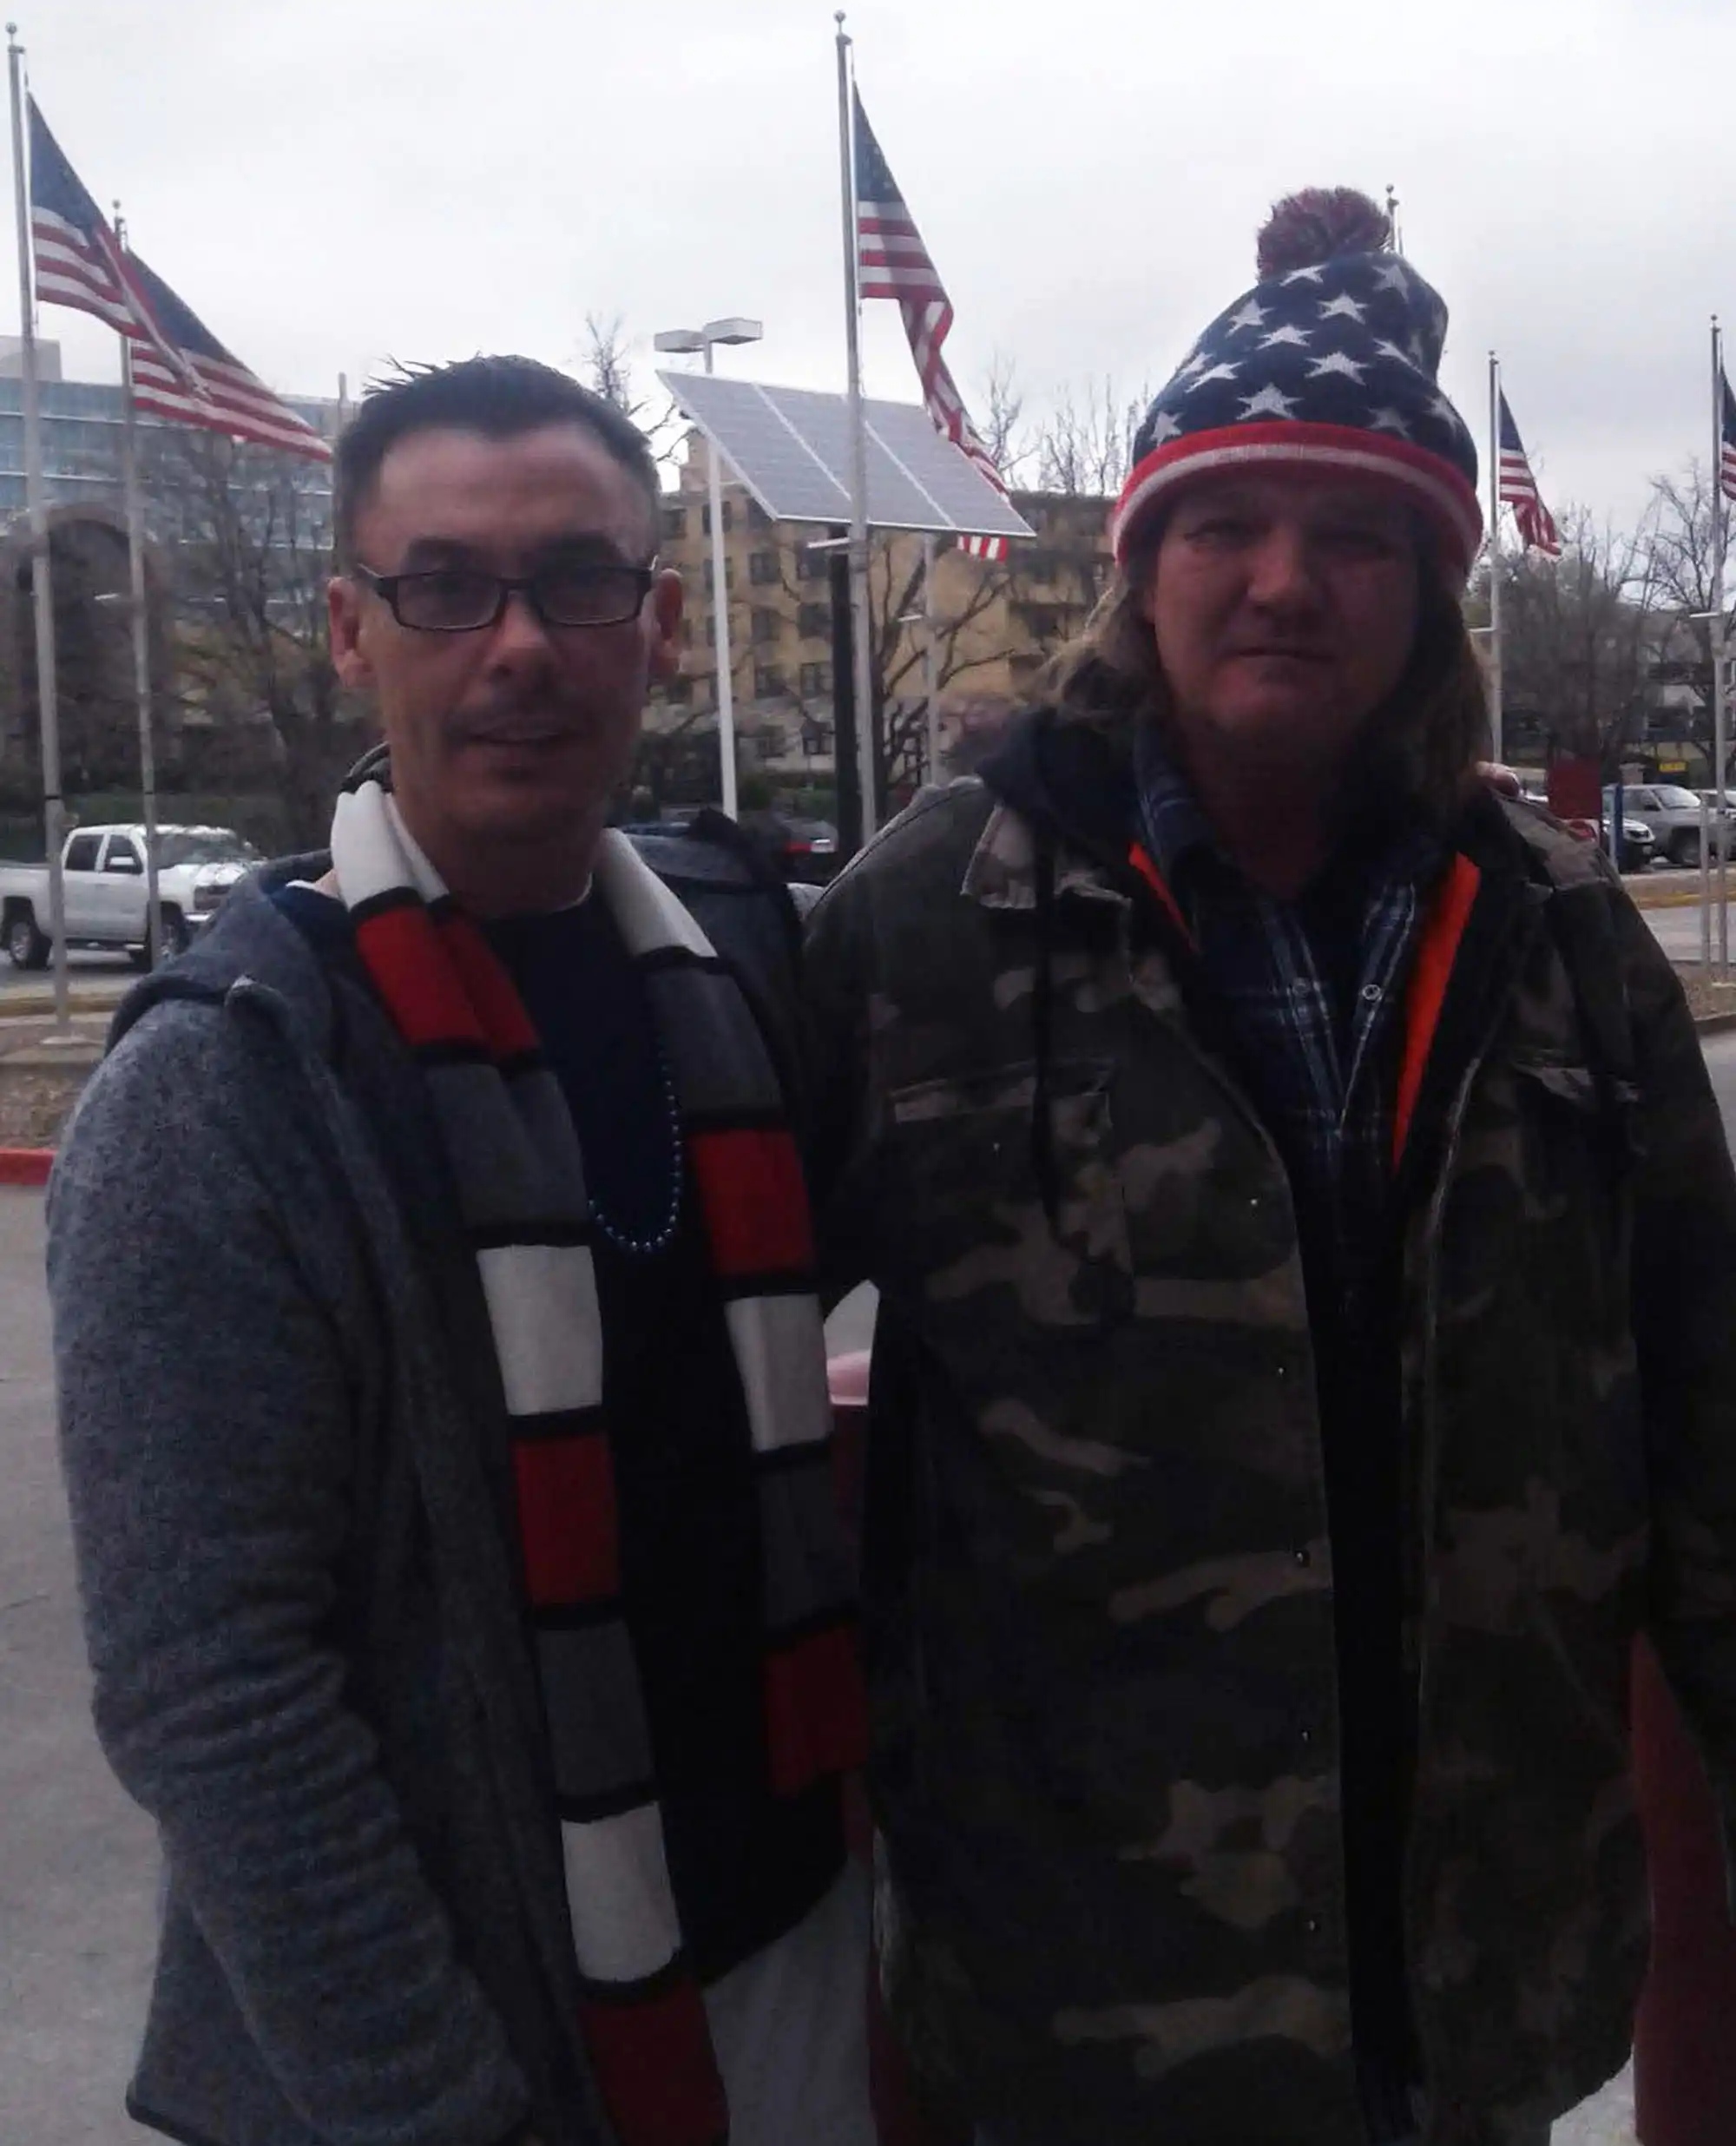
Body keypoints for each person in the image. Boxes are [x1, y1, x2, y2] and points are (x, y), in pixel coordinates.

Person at [806, 189, 1736, 2146]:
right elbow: (714, 1394)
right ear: (1140, 566)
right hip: (1083, 2001)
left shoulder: (1565, 940)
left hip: (1476, 1987)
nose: (1284, 583)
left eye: (1354, 535)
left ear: (1427, 589)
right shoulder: (922, 928)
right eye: (1225, 524)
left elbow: (1708, 1414)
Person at [49, 356, 871, 2146]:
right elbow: (215, 1691)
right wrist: (424, 2102)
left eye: (577, 581)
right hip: (468, 2035)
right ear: (352, 631)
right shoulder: (229, 1085)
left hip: (794, 1938)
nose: (518, 647)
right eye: (444, 588)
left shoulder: (741, 971)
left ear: (660, 627)